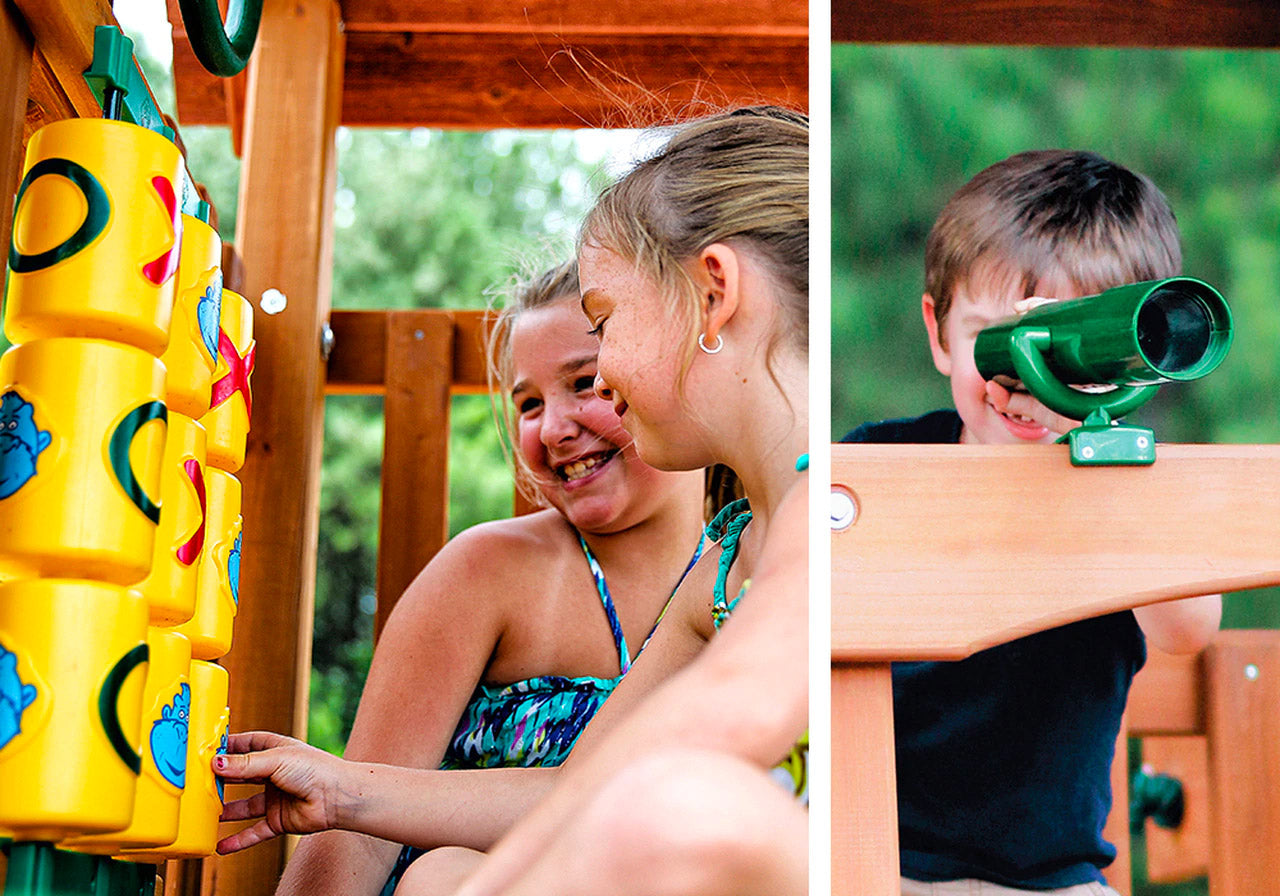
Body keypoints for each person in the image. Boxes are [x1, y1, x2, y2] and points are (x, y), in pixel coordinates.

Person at [213, 106, 809, 896]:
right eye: (526, 403)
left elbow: (729, 720)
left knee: (683, 811)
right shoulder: (730, 558)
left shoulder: (820, 512)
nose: (570, 418)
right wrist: (345, 791)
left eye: (603, 335)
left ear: (712, 293)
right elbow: (575, 789)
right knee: (443, 875)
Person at [842, 149, 1223, 895]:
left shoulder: (1123, 486)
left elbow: (1187, 629)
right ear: (939, 331)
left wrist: (1107, 466)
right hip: (885, 865)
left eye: (1072, 346)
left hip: (1051, 881)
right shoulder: (881, 466)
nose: (1027, 378)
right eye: (996, 340)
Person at [272, 260, 709, 896]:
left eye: (584, 383)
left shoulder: (746, 563)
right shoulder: (486, 572)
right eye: (528, 403)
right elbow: (352, 833)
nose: (554, 428)